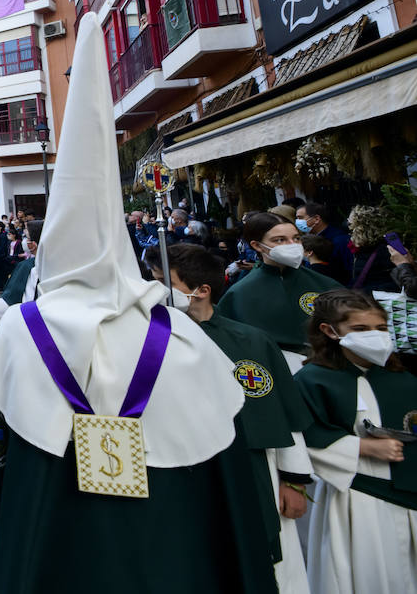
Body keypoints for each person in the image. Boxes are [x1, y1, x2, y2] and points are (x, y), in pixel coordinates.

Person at [0, 21, 277, 594]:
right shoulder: (184, 340)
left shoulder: (16, 336)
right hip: (172, 556)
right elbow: (229, 488)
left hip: (49, 552)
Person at [166, 244, 314, 593]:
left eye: (163, 281)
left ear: (201, 291)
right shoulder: (151, 340)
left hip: (251, 465)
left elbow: (284, 413)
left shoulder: (251, 341)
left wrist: (293, 479)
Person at [295, 290, 417, 593]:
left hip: (410, 493)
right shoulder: (314, 379)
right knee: (366, 573)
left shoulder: (403, 379)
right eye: (360, 329)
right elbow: (300, 436)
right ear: (330, 331)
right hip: (358, 492)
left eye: (381, 328)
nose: (374, 336)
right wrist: (361, 447)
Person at [218, 212, 345, 368]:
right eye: (280, 240)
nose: (291, 245)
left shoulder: (324, 284)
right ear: (257, 245)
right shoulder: (239, 293)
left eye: (296, 238)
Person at [297, 202, 355, 286]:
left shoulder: (340, 240)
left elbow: (350, 270)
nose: (298, 222)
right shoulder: (311, 237)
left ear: (317, 219)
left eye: (300, 218)